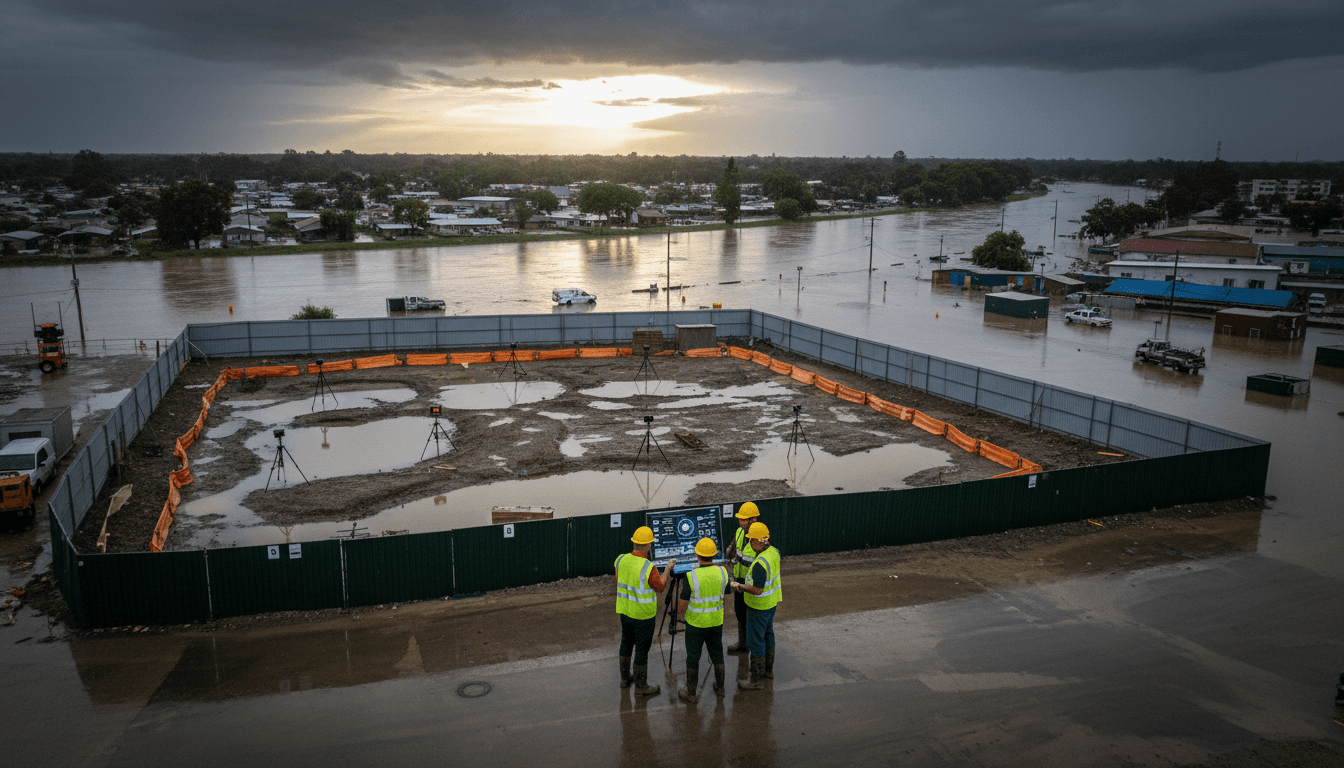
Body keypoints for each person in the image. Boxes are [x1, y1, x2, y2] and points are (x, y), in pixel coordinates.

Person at [615, 526, 676, 696]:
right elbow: (660, 586)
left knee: (626, 642)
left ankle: (625, 679)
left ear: (634, 543)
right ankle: (641, 687)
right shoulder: (648, 567)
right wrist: (668, 570)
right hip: (643, 615)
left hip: (625, 612)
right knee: (642, 649)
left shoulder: (620, 560)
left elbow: (620, 579)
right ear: (647, 546)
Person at [676, 537, 730, 703]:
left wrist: (677, 614)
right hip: (715, 622)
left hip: (696, 624)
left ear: (697, 555)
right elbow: (726, 593)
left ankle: (691, 694)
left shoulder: (691, 576)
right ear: (713, 555)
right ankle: (720, 689)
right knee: (717, 654)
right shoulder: (722, 572)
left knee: (693, 657)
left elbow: (683, 604)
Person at [732, 521, 781, 690]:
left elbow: (758, 589)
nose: (750, 544)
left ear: (759, 541)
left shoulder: (760, 563)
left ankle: (755, 680)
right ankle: (768, 672)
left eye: (752, 541)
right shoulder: (774, 553)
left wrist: (741, 586)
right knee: (768, 636)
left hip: (758, 606)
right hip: (771, 604)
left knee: (756, 641)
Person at [723, 501, 760, 653]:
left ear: (754, 520)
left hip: (753, 584)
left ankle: (755, 647)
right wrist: (729, 551)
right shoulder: (739, 532)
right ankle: (743, 644)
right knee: (740, 612)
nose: (741, 522)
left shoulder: (759, 538)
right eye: (740, 519)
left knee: (752, 616)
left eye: (744, 519)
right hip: (739, 581)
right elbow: (732, 552)